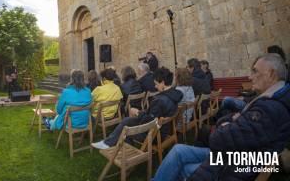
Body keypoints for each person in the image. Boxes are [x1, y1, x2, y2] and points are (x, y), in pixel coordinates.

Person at [153, 53, 290, 181]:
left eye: (255, 71)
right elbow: (231, 128)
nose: (250, 77)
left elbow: (218, 140)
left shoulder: (269, 109)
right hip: (231, 157)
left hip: (229, 166)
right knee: (178, 150)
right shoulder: (270, 101)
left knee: (182, 165)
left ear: (271, 74)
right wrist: (231, 121)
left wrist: (228, 124)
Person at [92, 68, 183, 149]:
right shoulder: (175, 95)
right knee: (127, 120)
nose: (155, 86)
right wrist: (140, 113)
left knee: (126, 130)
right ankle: (108, 142)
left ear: (162, 83)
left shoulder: (160, 100)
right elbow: (154, 116)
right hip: (166, 130)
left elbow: (148, 122)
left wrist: (138, 113)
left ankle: (125, 155)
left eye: (156, 84)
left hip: (156, 134)